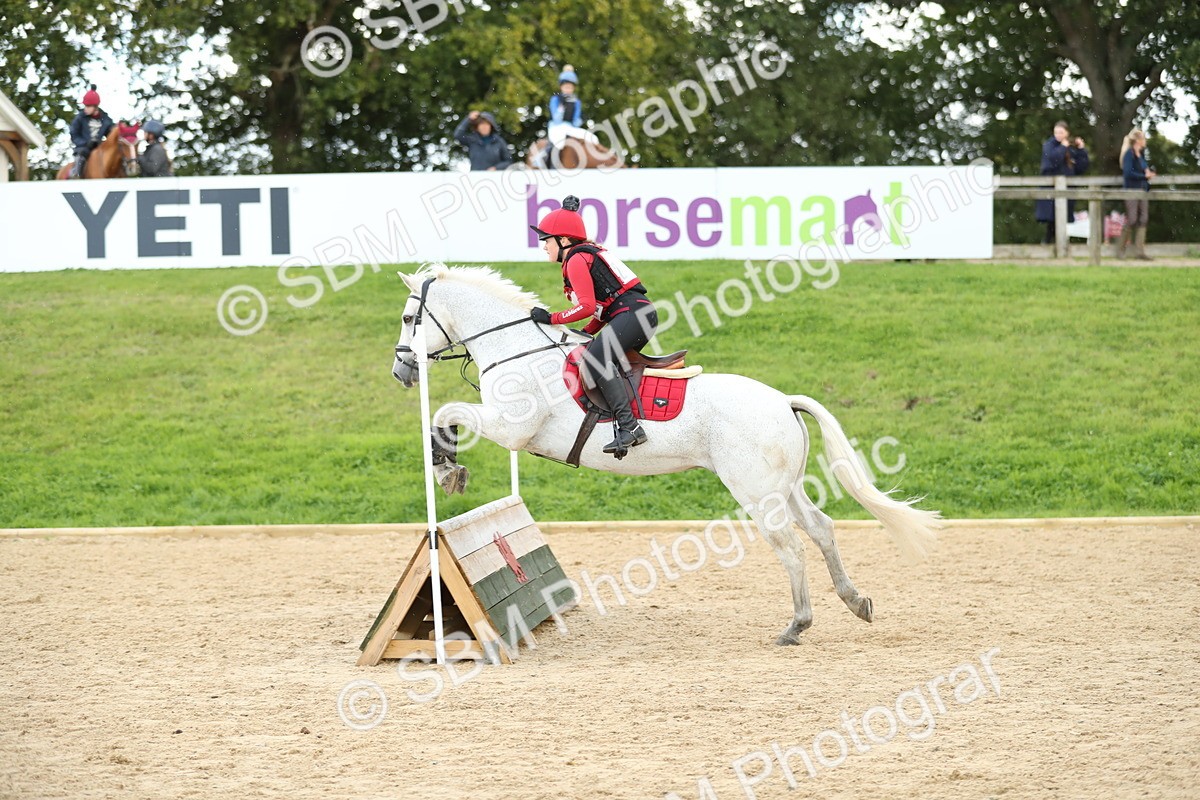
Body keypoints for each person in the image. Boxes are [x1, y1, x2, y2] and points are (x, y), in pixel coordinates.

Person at [529, 195, 657, 456]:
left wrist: (551, 318)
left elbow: (586, 306)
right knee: (601, 358)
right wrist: (585, 333)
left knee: (596, 360)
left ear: (563, 240)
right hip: (636, 314)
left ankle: (630, 427)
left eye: (546, 240)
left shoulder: (576, 259)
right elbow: (601, 310)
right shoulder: (582, 255)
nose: (543, 245)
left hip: (632, 315)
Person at [1035, 120, 1089, 244]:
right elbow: (1053, 160)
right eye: (1056, 132)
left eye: (1061, 132)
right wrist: (1063, 147)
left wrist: (1081, 150)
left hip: (1067, 189)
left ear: (1067, 133)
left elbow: (1081, 167)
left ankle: (1060, 244)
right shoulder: (1049, 145)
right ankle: (1048, 243)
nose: (1058, 135)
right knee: (1052, 219)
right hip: (1051, 189)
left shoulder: (1071, 149)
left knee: (1063, 218)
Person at [544, 65, 600, 165]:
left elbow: (575, 121)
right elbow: (556, 119)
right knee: (559, 143)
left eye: (570, 87)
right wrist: (562, 108)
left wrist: (581, 119)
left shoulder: (576, 102)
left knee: (593, 138)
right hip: (556, 127)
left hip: (569, 128)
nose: (568, 89)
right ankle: (543, 160)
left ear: (573, 88)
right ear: (561, 87)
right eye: (566, 87)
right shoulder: (555, 99)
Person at [1118, 129, 1156, 260]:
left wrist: (1148, 174)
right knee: (1132, 219)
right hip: (1131, 190)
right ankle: (1120, 250)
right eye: (1143, 138)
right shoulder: (1129, 154)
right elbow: (1128, 173)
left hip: (1142, 190)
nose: (1145, 141)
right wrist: (1144, 176)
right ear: (1138, 140)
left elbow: (1142, 171)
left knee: (1143, 219)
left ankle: (1140, 251)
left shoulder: (1141, 154)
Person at [67, 85, 115, 178]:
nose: (86, 108)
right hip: (84, 147)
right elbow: (74, 134)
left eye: (88, 106)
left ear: (96, 107)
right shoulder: (80, 118)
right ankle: (77, 173)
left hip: (100, 146)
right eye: (85, 106)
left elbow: (111, 133)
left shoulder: (105, 119)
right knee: (82, 153)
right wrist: (85, 143)